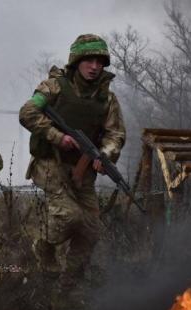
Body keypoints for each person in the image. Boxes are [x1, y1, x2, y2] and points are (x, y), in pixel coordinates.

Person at [19, 34, 126, 287]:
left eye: (100, 61)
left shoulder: (107, 99)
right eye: (88, 60)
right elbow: (28, 112)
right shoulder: (54, 86)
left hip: (83, 169)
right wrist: (57, 136)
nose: (95, 66)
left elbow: (116, 133)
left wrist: (105, 155)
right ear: (76, 61)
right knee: (69, 217)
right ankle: (43, 247)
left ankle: (70, 282)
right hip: (50, 163)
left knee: (91, 229)